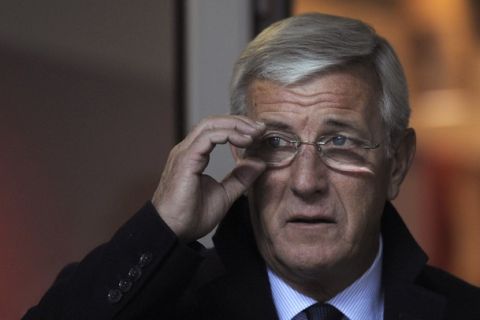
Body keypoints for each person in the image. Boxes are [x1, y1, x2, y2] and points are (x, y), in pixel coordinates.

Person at [24, 12, 479, 320]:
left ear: (396, 162)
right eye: (277, 142)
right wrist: (162, 225)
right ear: (242, 155)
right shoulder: (165, 304)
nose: (306, 182)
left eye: (339, 141)